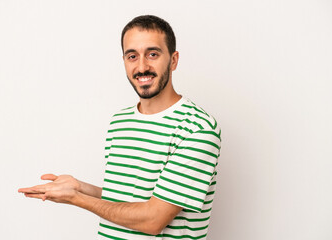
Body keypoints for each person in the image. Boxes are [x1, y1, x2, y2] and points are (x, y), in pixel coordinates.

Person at [18, 15, 222, 240]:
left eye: (152, 54)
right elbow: (124, 199)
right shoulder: (120, 122)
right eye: (132, 56)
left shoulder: (198, 129)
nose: (142, 66)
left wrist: (76, 199)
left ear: (173, 60)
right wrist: (79, 187)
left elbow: (152, 220)